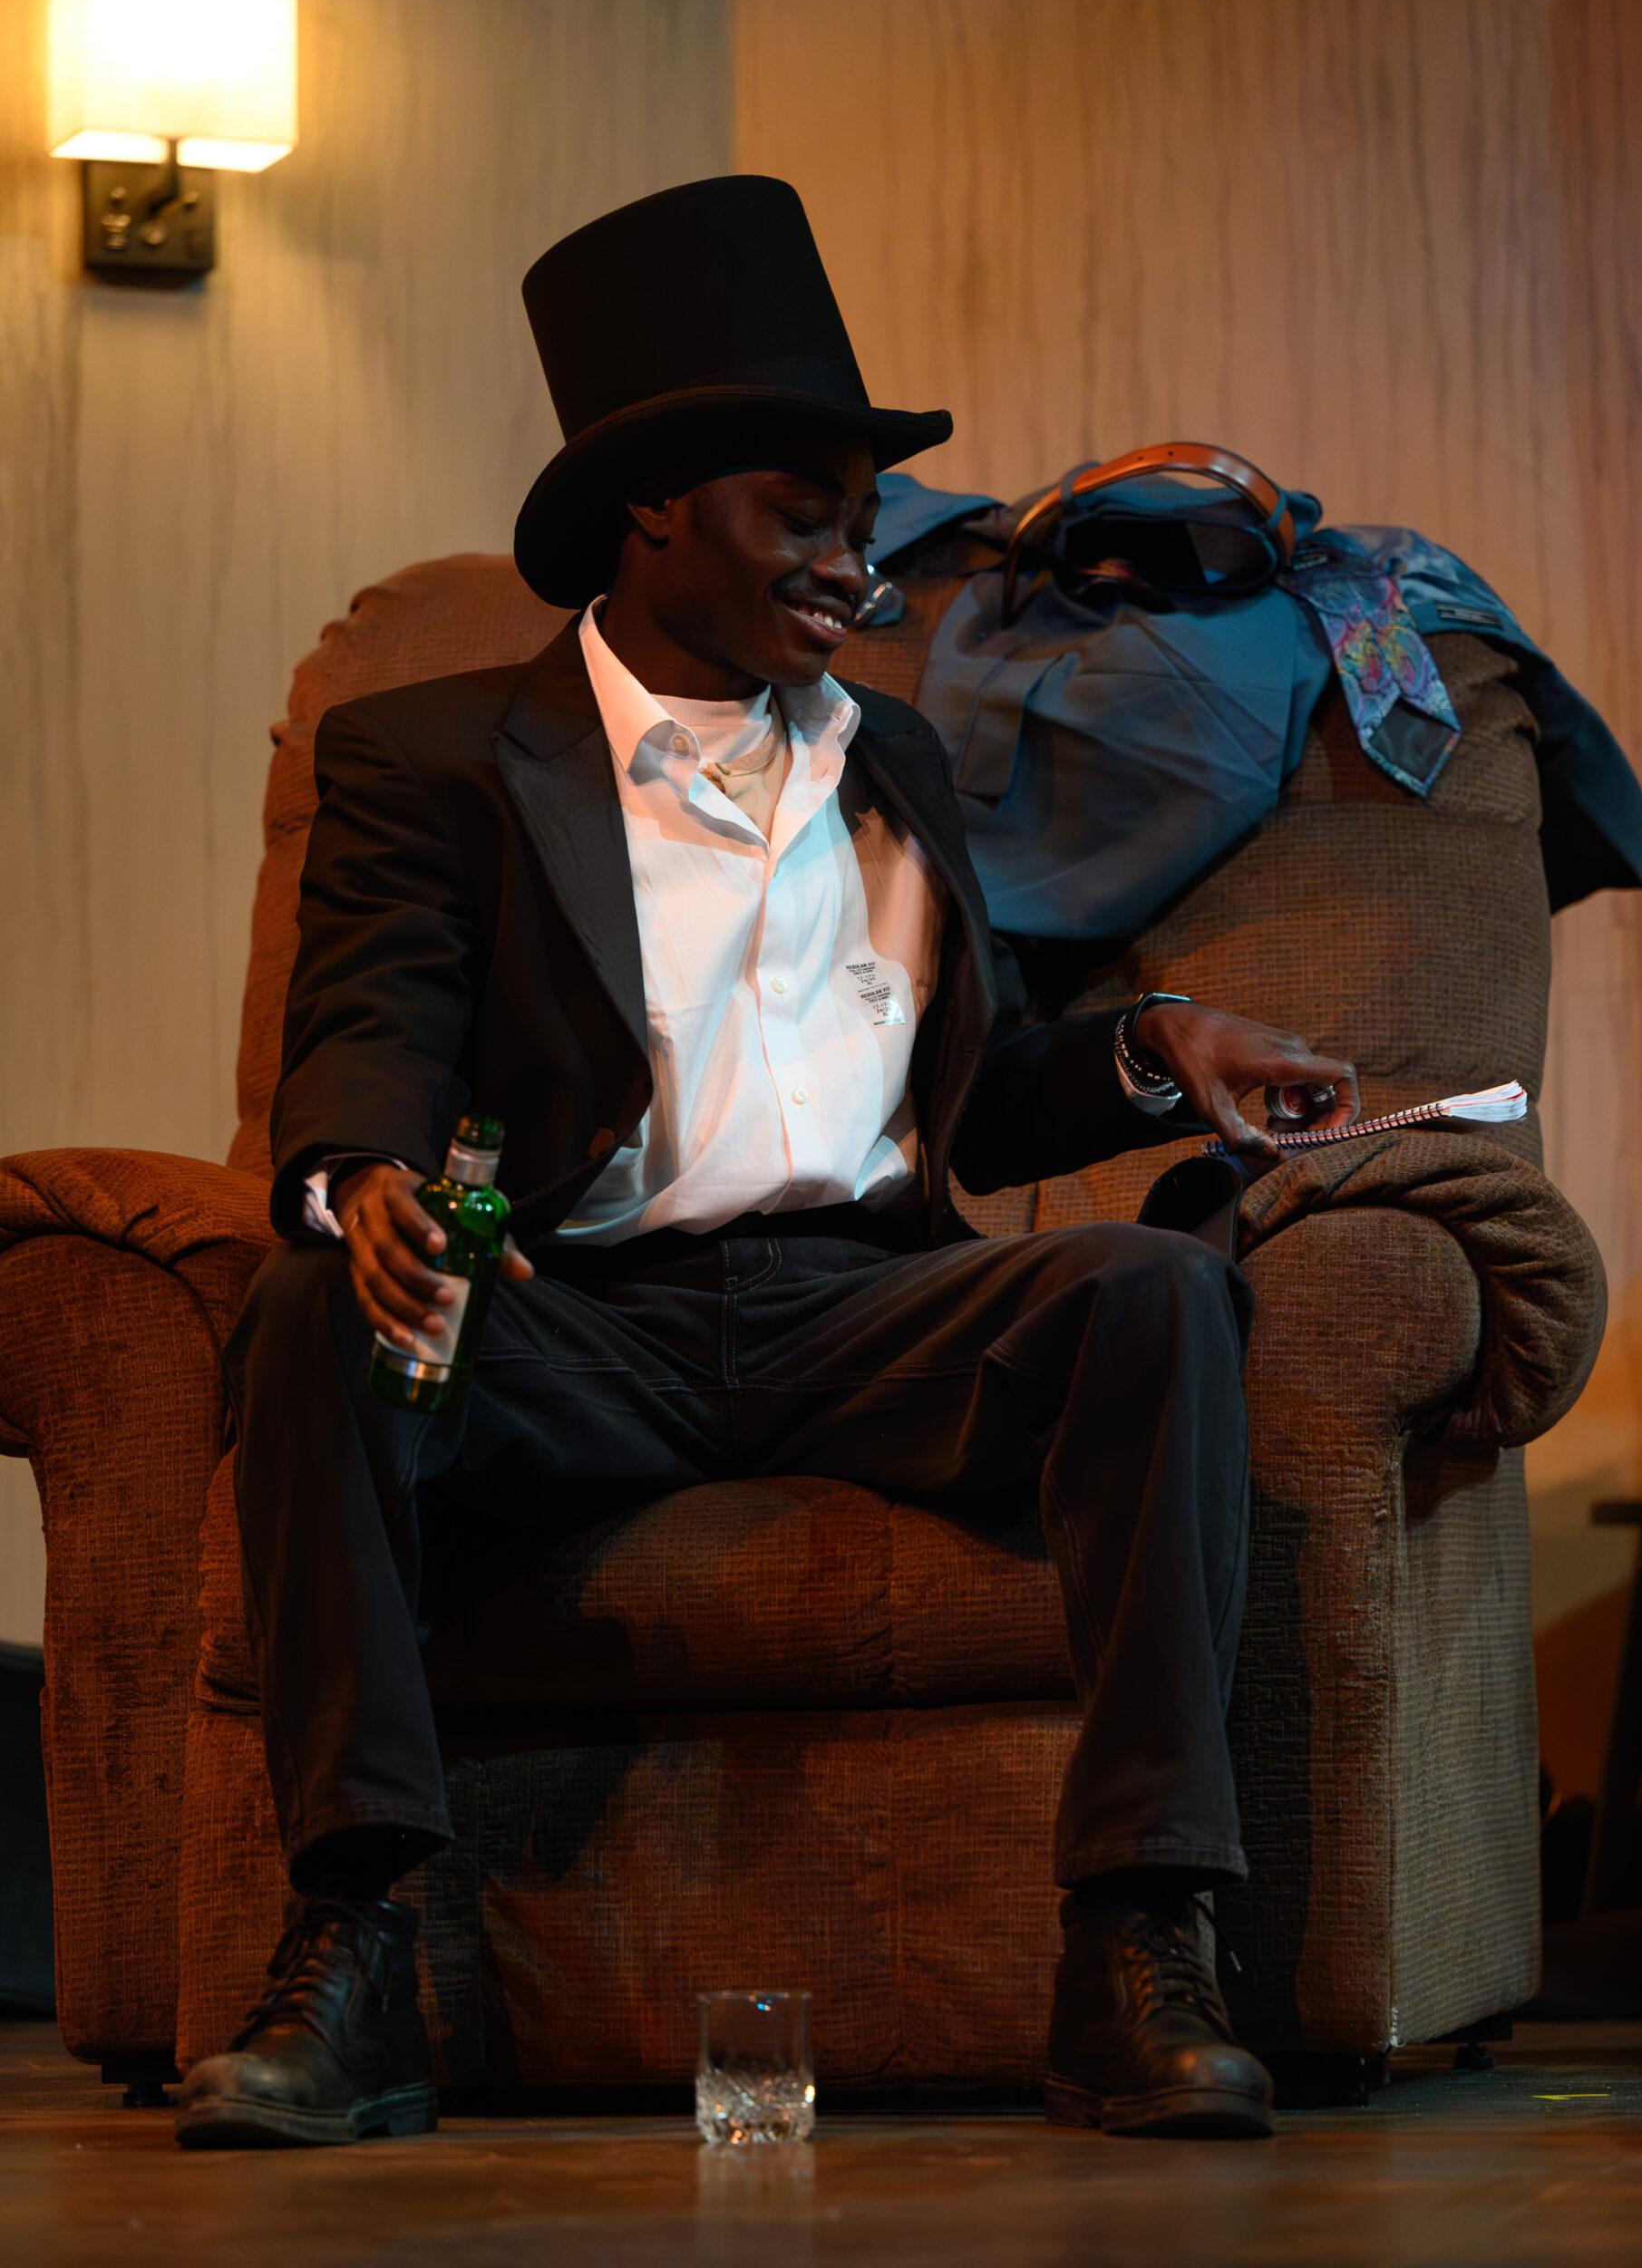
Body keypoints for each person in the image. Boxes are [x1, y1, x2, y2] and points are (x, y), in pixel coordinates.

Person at [174, 177, 1357, 2150]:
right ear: (654, 509)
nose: (852, 554)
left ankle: (1136, 1946)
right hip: (574, 1320)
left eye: (859, 514)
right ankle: (356, 1948)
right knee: (319, 1314)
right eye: (803, 509)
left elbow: (960, 1098)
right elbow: (368, 1020)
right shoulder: (434, 753)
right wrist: (359, 1176)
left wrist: (1149, 1053)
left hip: (863, 1311)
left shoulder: (891, 757)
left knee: (1151, 1291)